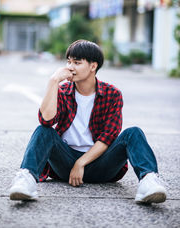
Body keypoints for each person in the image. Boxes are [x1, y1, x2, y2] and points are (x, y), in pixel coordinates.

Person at [9, 39, 167, 204]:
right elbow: (46, 120)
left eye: (77, 63)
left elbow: (108, 137)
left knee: (133, 132)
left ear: (93, 66)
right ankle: (26, 180)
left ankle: (148, 181)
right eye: (69, 62)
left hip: (102, 165)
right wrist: (53, 81)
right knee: (43, 130)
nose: (70, 67)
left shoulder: (112, 94)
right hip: (65, 163)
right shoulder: (62, 91)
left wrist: (81, 162)